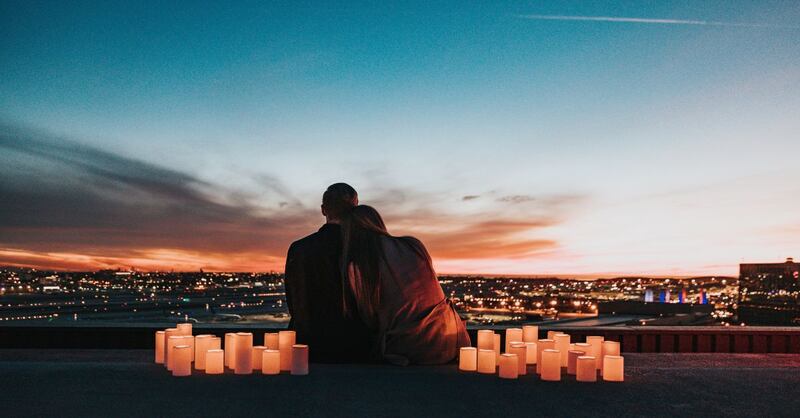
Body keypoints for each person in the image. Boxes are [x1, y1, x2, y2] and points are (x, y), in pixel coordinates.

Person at [341, 205, 471, 365]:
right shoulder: (413, 245)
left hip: (412, 349)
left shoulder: (359, 267)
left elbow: (369, 318)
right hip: (454, 341)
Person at [284, 183, 372, 362]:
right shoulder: (365, 248)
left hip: (307, 344)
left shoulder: (298, 248)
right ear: (355, 209)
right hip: (355, 345)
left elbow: (294, 302)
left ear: (324, 210)